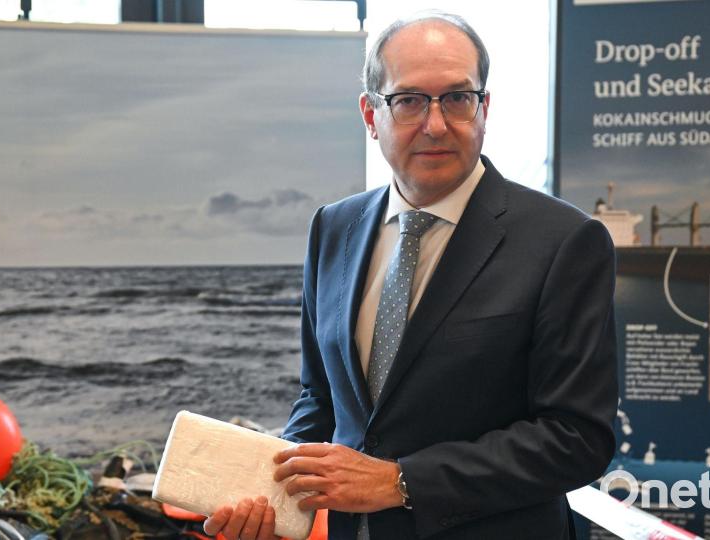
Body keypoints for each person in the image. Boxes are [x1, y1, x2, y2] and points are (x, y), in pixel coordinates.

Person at [204, 11, 617, 540]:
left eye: (458, 98)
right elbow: (321, 397)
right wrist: (273, 494)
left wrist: (401, 482)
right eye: (409, 100)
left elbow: (577, 438)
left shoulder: (564, 240)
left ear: (484, 108)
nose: (436, 124)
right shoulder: (333, 228)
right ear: (370, 115)